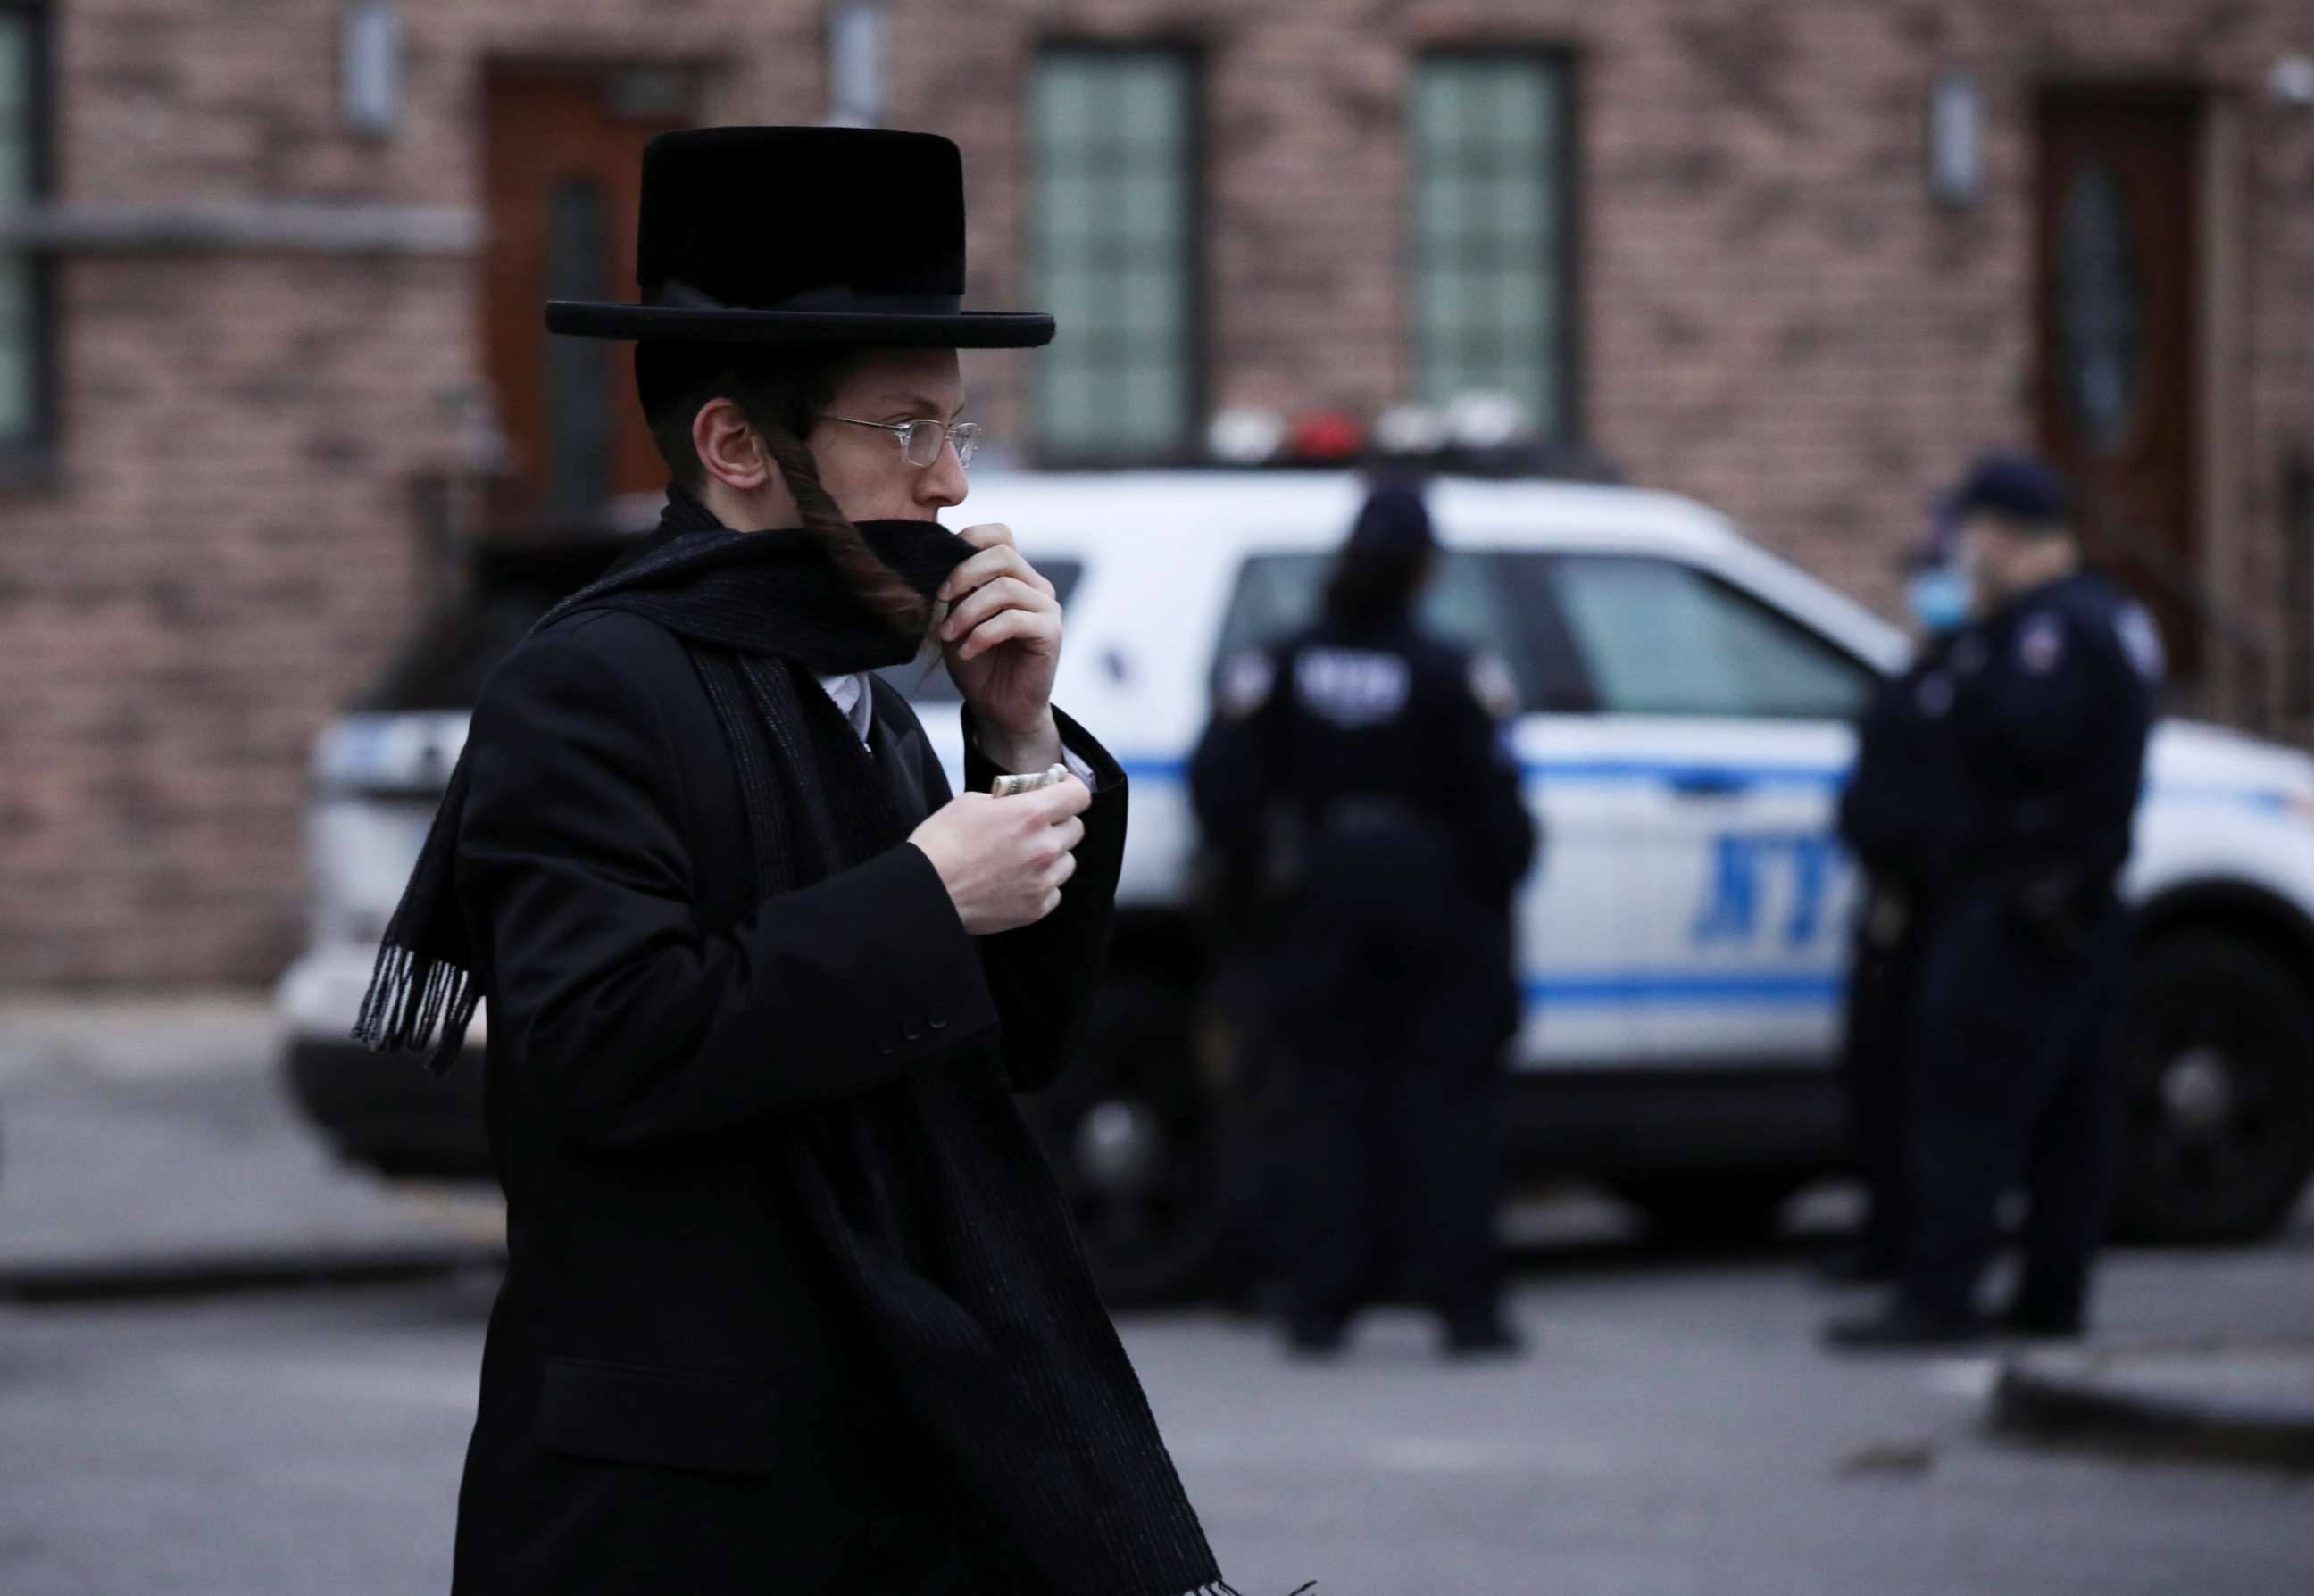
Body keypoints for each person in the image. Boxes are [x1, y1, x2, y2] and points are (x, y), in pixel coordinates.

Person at [354, 127, 1230, 1595]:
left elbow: (1007, 1043)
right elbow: (598, 1047)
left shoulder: (869, 693)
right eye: (905, 429)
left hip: (900, 1465)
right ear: (737, 443)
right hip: (681, 1512)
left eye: (957, 425)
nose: (954, 479)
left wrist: (1014, 740)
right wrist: (925, 893)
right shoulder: (590, 683)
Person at [1189, 481, 1537, 1357]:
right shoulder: (1454, 669)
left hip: (1316, 898)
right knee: (1449, 1101)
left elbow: (1221, 789)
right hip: (1436, 898)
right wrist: (1483, 895)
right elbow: (1501, 816)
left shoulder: (1278, 663)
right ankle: (1464, 1305)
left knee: (1321, 1097)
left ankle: (1319, 1302)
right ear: (1424, 572)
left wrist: (1256, 892)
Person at [1827, 453, 2160, 1350]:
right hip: (2073, 902)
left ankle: (1941, 1295)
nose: (1965, 557)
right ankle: (2052, 1292)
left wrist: (1970, 663)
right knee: (2067, 1115)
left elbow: (2022, 739)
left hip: (2021, 904)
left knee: (1967, 1105)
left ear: (2002, 534)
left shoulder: (2045, 631)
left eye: (1974, 536)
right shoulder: (2108, 618)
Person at [1819, 525, 1976, 1284]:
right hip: (1891, 907)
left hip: (1943, 904)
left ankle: (1926, 1252)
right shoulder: (1914, 673)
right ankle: (1887, 1236)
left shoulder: (1979, 672)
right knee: (1877, 1076)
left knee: (1931, 1085)